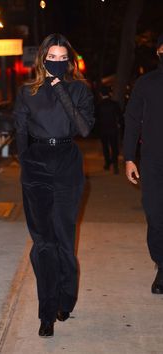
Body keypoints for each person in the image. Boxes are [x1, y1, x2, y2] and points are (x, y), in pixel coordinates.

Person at [13, 33, 95, 337]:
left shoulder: (79, 89)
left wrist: (60, 89)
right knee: (43, 243)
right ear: (42, 59)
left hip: (67, 165)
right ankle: (46, 312)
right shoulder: (26, 92)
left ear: (70, 61)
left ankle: (66, 298)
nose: (57, 63)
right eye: (52, 58)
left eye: (63, 58)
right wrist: (26, 164)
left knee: (63, 239)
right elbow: (20, 131)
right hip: (36, 167)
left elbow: (84, 128)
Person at [123, 33, 163, 294]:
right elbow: (132, 119)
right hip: (152, 161)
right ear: (159, 50)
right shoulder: (145, 83)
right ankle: (161, 264)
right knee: (155, 215)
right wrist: (128, 157)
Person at [96, 86, 123, 174]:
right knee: (114, 147)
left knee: (105, 147)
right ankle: (115, 165)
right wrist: (119, 124)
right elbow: (120, 117)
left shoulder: (99, 105)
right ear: (109, 93)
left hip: (103, 129)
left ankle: (107, 163)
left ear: (100, 94)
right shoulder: (114, 104)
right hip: (113, 129)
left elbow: (96, 118)